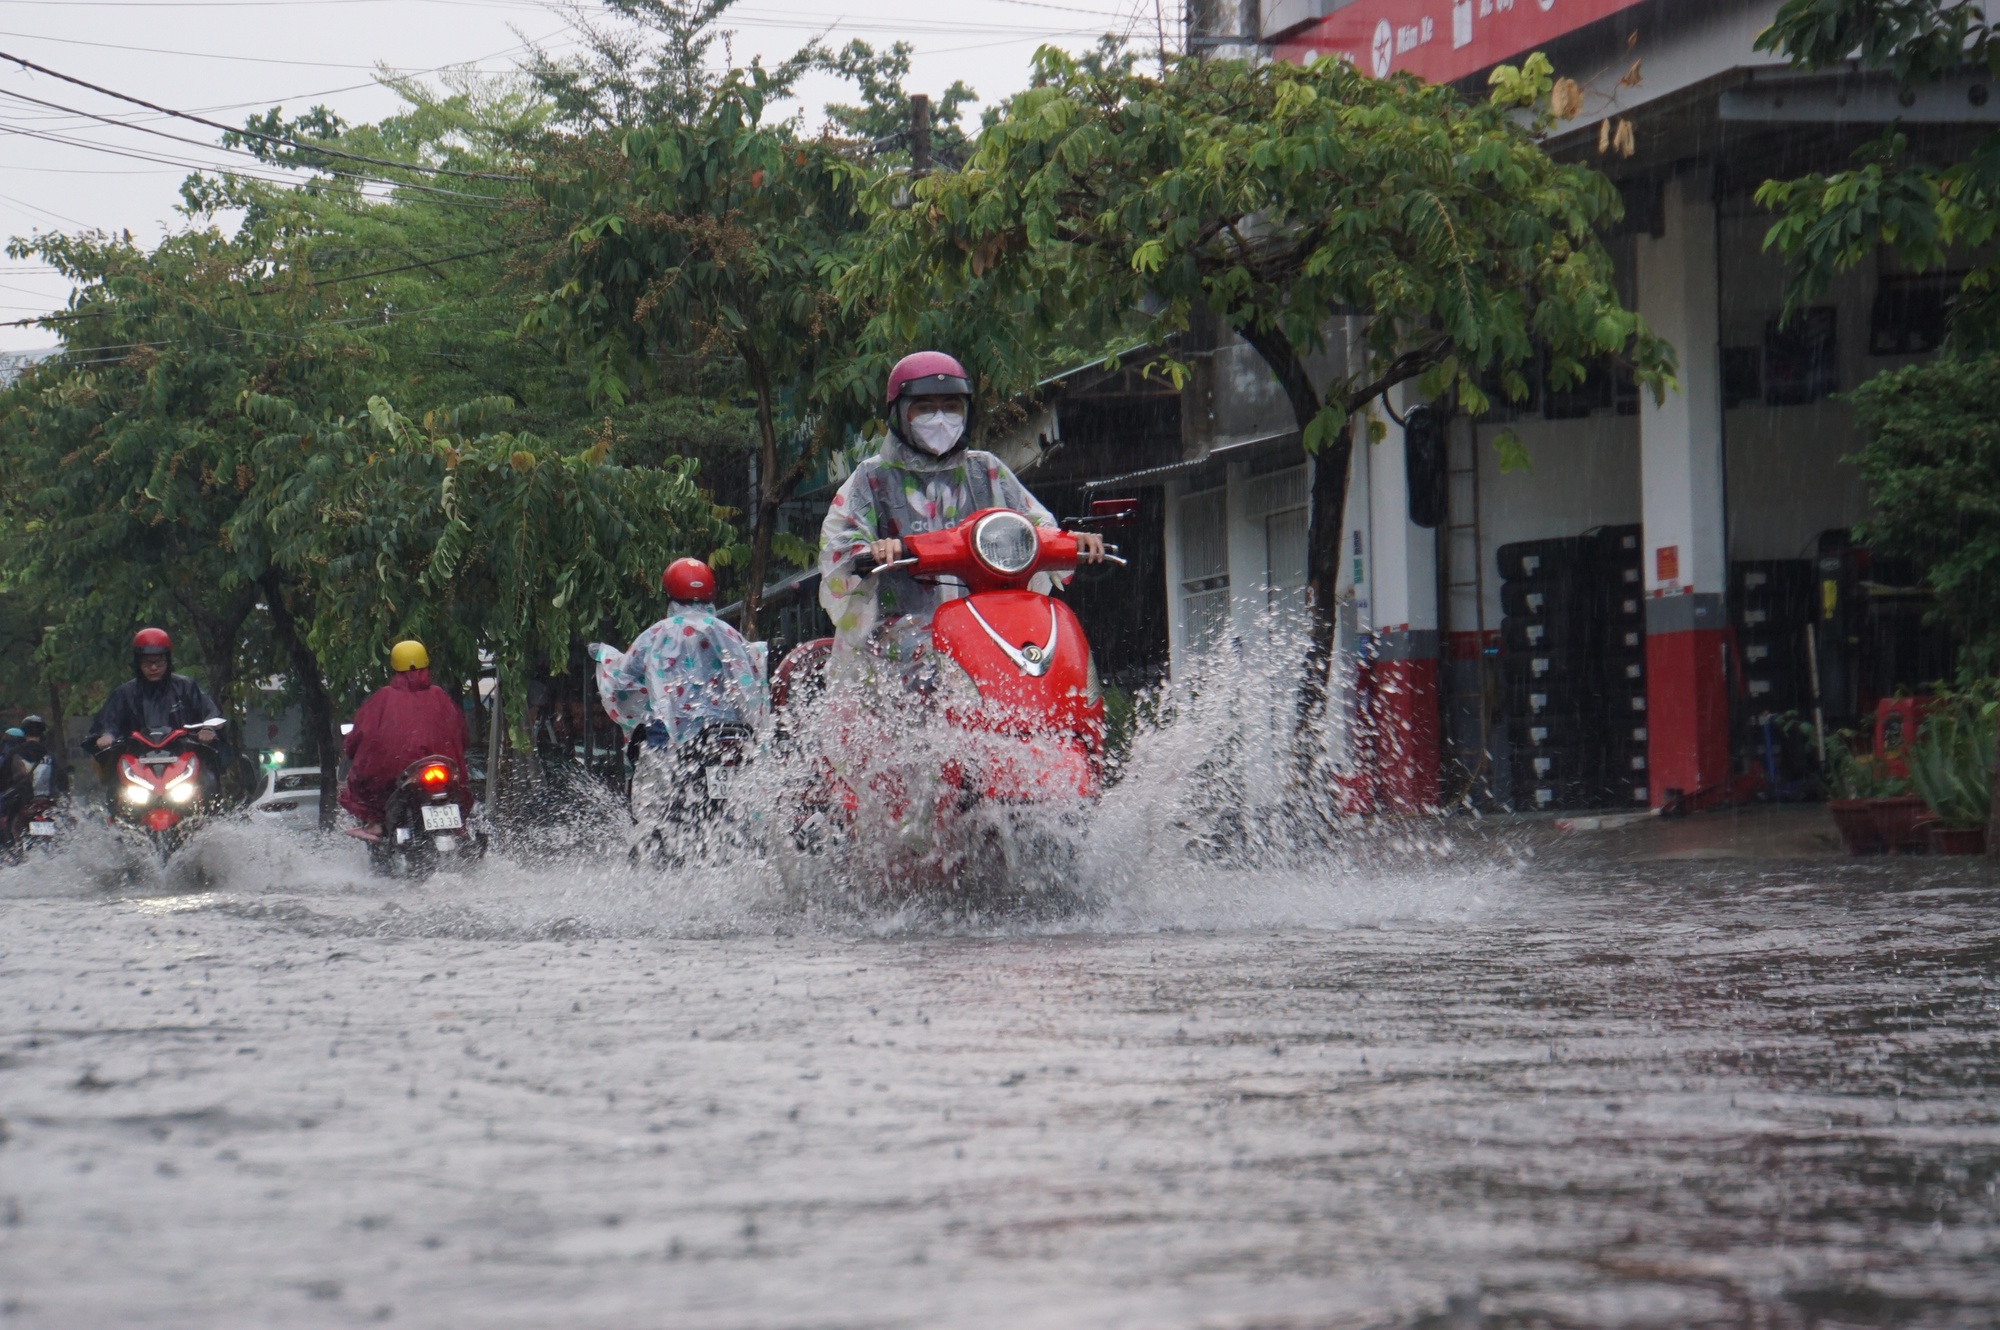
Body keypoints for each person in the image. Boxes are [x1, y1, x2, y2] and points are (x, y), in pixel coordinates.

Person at [817, 351, 1104, 674]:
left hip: (990, 619)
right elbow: (842, 542)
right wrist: (871, 551)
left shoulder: (986, 470)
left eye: (951, 406)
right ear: (899, 414)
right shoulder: (872, 477)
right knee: (931, 665)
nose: (940, 418)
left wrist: (1069, 541)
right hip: (899, 629)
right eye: (925, 407)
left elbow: (1032, 525)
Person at [591, 558, 768, 753]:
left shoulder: (657, 634)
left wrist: (605, 656)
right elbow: (753, 670)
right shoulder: (727, 633)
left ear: (669, 595)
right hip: (729, 732)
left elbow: (621, 679)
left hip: (673, 735)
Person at [339, 640, 470, 832]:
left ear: (394, 667)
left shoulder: (382, 698)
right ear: (426, 664)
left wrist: (350, 747)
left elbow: (361, 734)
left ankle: (376, 821)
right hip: (442, 770)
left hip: (392, 775)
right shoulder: (440, 697)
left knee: (366, 790)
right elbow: (462, 734)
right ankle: (461, 826)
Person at [88, 628, 225, 752]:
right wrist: (107, 735)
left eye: (159, 661)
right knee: (112, 777)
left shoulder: (186, 687)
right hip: (135, 761)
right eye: (147, 662)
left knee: (208, 776)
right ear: (138, 663)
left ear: (168, 661)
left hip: (183, 756)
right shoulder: (124, 693)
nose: (154, 668)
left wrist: (207, 729)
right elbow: (109, 721)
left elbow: (209, 712)